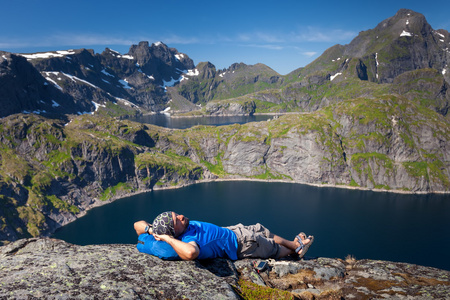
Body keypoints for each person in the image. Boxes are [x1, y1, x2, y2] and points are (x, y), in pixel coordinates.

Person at [134, 211, 314, 261]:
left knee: (262, 229)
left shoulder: (166, 229)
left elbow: (137, 225)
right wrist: (167, 239)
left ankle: (292, 243)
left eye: (176, 214)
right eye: (177, 221)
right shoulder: (186, 240)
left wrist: (150, 230)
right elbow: (190, 253)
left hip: (230, 230)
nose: (181, 216)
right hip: (239, 243)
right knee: (271, 247)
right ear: (174, 233)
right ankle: (295, 250)